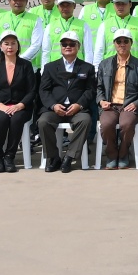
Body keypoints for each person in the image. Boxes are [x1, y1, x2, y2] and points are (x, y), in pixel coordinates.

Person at [36, 33, 97, 173]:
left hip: (77, 110)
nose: (68, 47)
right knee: (43, 122)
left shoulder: (87, 68)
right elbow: (44, 90)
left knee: (85, 120)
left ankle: (69, 157)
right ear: (61, 47)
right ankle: (53, 157)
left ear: (78, 47)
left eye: (72, 44)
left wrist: (79, 105)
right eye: (64, 44)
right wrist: (53, 105)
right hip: (55, 109)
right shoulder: (50, 67)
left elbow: (90, 90)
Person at [0, 31, 37, 172]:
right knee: (2, 119)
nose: (10, 47)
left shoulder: (26, 65)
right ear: (1, 46)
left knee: (16, 119)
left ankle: (9, 156)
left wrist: (20, 105)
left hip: (21, 106)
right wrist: (0, 105)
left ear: (18, 46)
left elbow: (32, 91)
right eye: (6, 44)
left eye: (13, 43)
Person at [99, 27, 138, 169]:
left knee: (127, 124)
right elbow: (98, 87)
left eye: (125, 41)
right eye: (119, 41)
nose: (122, 44)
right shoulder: (105, 64)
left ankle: (123, 154)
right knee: (106, 124)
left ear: (131, 43)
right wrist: (101, 100)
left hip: (130, 105)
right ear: (114, 44)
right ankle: (111, 154)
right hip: (110, 105)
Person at [0, 0, 40, 65]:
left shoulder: (35, 19)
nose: (18, 2)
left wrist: (20, 60)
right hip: (3, 64)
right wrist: (0, 61)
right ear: (9, 1)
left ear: (26, 1)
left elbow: (36, 45)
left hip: (25, 65)